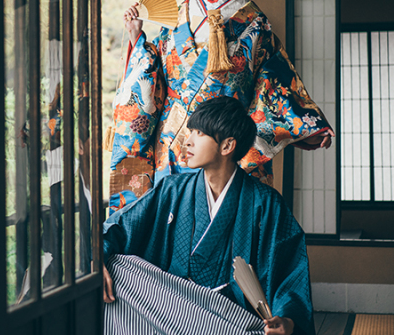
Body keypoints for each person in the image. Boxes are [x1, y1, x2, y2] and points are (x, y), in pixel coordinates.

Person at [108, 0, 333, 213]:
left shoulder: (254, 23)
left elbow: (272, 84)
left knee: (219, 224)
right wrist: (137, 37)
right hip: (174, 140)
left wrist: (305, 125)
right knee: (168, 224)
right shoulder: (180, 14)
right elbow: (156, 76)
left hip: (225, 144)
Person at [103, 96, 314, 335]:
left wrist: (288, 319)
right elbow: (122, 227)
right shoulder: (173, 189)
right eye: (190, 131)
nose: (188, 141)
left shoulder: (265, 203)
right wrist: (98, 256)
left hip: (228, 319)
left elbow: (289, 272)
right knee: (118, 265)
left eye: (199, 134)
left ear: (227, 146)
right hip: (173, 308)